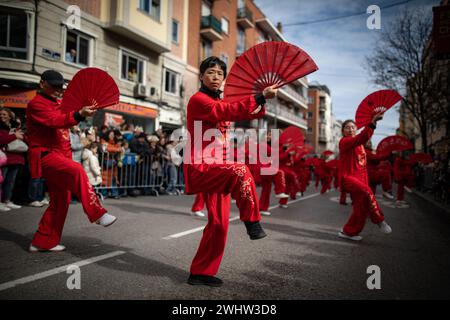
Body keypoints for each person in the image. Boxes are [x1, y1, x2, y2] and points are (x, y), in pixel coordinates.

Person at [184, 56, 277, 286]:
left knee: (219, 224)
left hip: (219, 167)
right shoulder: (198, 100)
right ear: (201, 76)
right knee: (241, 170)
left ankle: (200, 273)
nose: (215, 77)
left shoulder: (221, 102)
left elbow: (251, 113)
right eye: (211, 72)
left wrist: (261, 101)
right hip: (202, 167)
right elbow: (226, 110)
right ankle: (252, 222)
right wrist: (258, 96)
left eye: (219, 74)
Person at [27, 70, 116, 253]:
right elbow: (55, 121)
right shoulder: (36, 104)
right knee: (77, 170)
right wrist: (78, 115)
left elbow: (68, 119)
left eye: (61, 86)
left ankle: (43, 241)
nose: (59, 90)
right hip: (45, 155)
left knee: (61, 200)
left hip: (60, 155)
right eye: (54, 86)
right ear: (42, 83)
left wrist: (82, 112)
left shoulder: (60, 103)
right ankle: (97, 213)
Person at [337, 113, 392, 241]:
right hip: (348, 178)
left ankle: (349, 232)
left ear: (356, 129)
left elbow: (363, 167)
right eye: (347, 127)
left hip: (361, 179)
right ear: (343, 131)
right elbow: (361, 137)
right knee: (368, 192)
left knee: (360, 208)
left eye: (353, 127)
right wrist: (372, 122)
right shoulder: (345, 142)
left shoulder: (361, 146)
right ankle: (379, 220)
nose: (350, 129)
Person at [0, 107, 26, 209]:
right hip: (4, 158)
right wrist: (14, 136)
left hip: (16, 157)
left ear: (10, 116)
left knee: (11, 181)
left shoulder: (13, 128)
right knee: (2, 180)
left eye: (4, 114)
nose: (2, 116)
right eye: (0, 114)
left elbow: (23, 139)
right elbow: (2, 140)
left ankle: (7, 200)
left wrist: (17, 135)